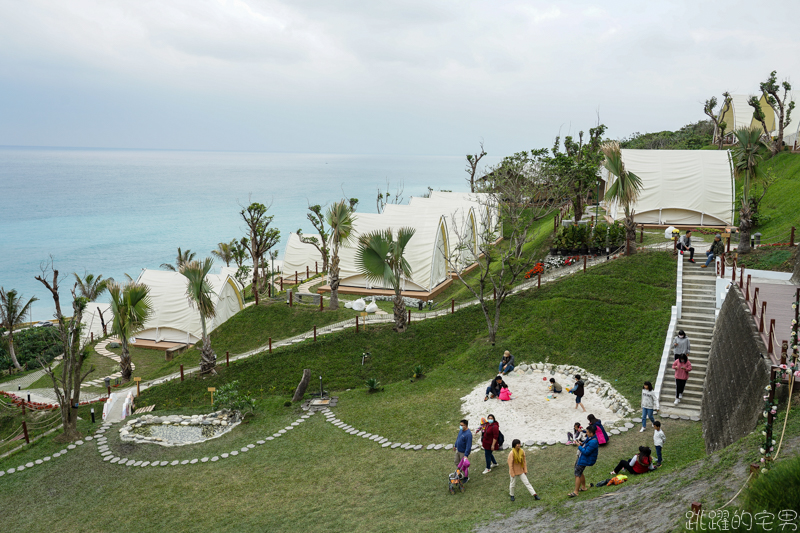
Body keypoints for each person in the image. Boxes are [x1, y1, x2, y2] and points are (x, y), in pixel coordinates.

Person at [568, 425, 598, 497]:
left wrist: (579, 446)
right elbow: (587, 444)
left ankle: (576, 492)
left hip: (585, 459)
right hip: (582, 458)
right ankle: (583, 487)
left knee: (577, 474)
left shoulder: (593, 442)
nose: (586, 433)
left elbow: (586, 452)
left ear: (591, 433)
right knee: (580, 472)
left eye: (587, 432)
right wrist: (582, 444)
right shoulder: (591, 438)